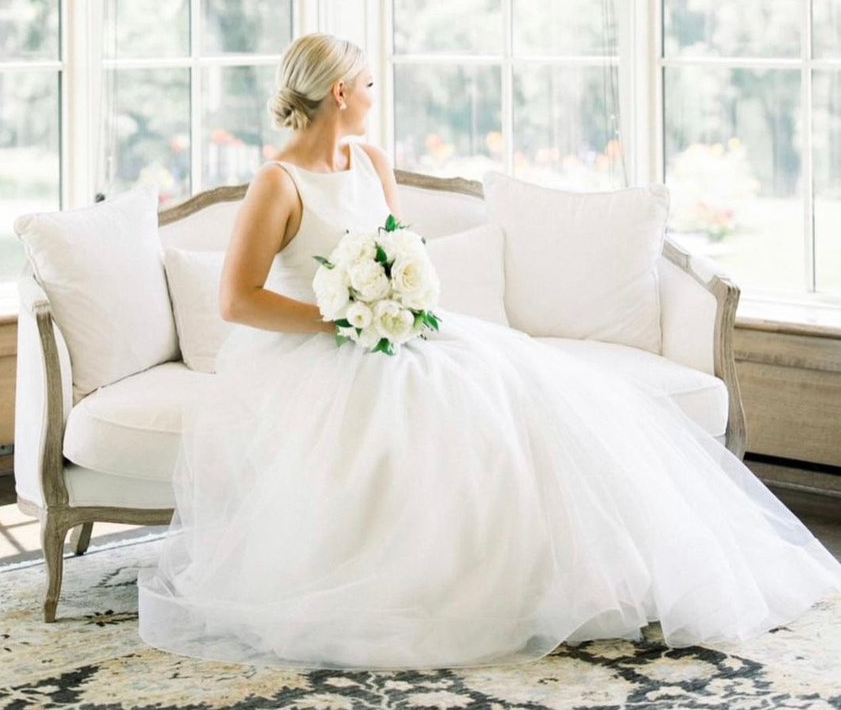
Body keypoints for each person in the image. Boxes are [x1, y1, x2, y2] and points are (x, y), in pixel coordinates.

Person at [138, 33, 841, 670]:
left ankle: (588, 575)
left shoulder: (371, 161)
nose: (377, 97)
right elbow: (238, 300)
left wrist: (395, 301)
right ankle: (425, 592)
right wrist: (344, 319)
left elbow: (399, 250)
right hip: (322, 351)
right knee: (416, 414)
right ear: (341, 92)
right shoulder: (278, 182)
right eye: (370, 84)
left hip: (402, 330)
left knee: (523, 388)